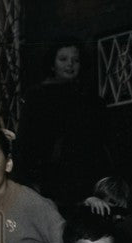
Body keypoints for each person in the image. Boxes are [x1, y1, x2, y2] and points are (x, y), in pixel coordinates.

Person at [14, 38, 111, 208]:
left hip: (86, 169)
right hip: (53, 173)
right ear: (52, 64)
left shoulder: (90, 98)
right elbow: (29, 140)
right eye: (63, 59)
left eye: (76, 60)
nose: (70, 64)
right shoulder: (38, 96)